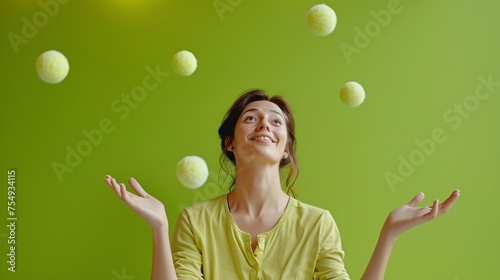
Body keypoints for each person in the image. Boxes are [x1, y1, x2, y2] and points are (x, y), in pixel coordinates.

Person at [104, 89, 460, 280]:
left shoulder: (317, 223)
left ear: (286, 148)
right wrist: (159, 229)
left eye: (277, 122)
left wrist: (388, 236)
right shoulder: (195, 220)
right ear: (230, 142)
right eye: (251, 119)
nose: (264, 125)